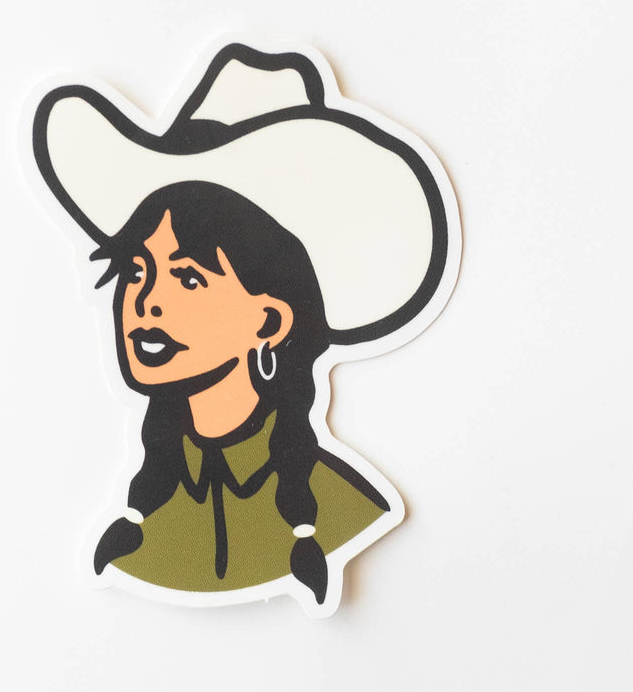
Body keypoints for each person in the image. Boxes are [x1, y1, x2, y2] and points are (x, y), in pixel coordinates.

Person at [33, 42, 460, 612]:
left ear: (271, 319)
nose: (146, 302)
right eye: (137, 271)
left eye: (188, 278)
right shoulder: (137, 531)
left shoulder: (341, 509)